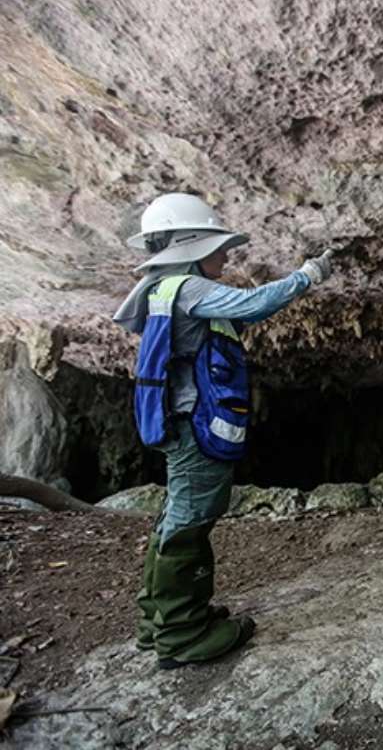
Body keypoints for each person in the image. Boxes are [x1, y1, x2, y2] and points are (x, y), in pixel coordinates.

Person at [112, 192, 335, 670]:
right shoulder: (186, 289)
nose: (226, 254)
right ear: (190, 245)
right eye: (218, 245)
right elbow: (251, 304)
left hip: (173, 420)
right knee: (191, 521)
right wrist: (308, 276)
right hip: (194, 424)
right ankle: (183, 635)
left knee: (176, 516)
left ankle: (161, 621)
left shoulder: (160, 288)